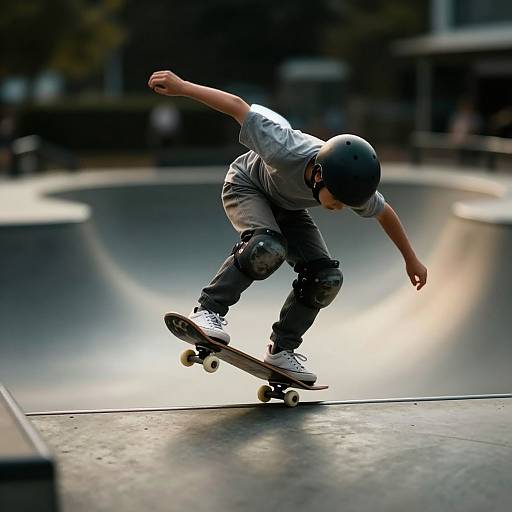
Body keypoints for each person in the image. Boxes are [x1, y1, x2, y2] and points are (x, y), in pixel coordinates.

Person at [148, 70, 428, 383]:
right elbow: (237, 105)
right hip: (246, 186)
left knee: (325, 277)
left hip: (287, 208)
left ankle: (281, 350)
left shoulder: (349, 181)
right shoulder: (284, 148)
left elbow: (384, 213)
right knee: (266, 248)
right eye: (336, 200)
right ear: (320, 175)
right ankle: (208, 310)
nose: (339, 208)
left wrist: (411, 258)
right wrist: (183, 87)